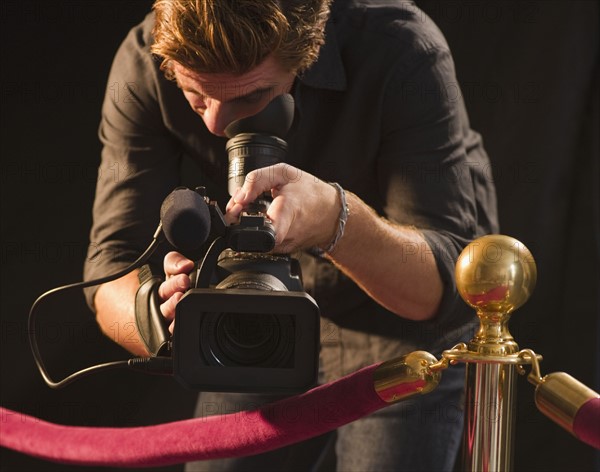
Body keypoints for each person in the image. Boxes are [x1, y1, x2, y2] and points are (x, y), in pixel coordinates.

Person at [84, 0, 498, 470]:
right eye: (195, 94)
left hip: (400, 315)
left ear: (307, 55)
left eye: (248, 96)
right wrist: (163, 322)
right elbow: (109, 267)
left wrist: (333, 220)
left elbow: (436, 295)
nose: (215, 124)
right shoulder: (143, 61)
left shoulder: (401, 48)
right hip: (250, 310)